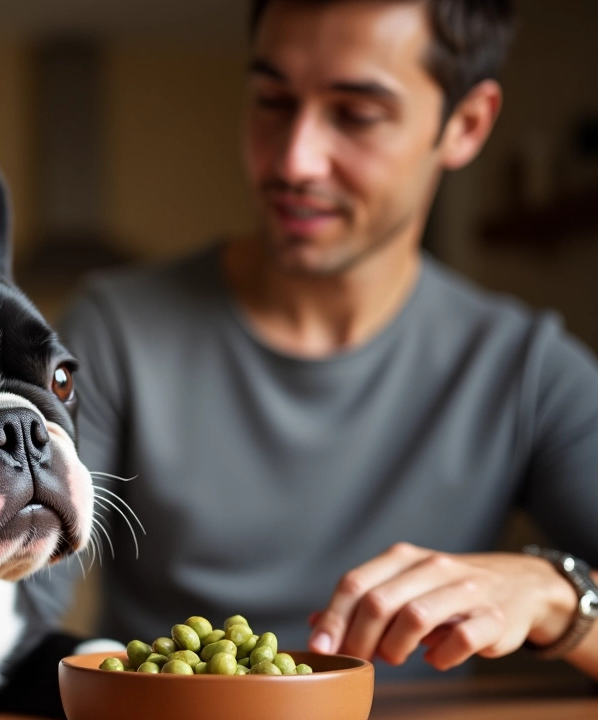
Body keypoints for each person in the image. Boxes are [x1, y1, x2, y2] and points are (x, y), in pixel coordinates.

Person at [40, 0, 598, 682]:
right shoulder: (111, 330)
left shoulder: (526, 369)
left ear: (466, 125)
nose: (295, 160)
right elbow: (7, 608)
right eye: (272, 100)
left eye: (357, 114)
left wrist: (554, 593)